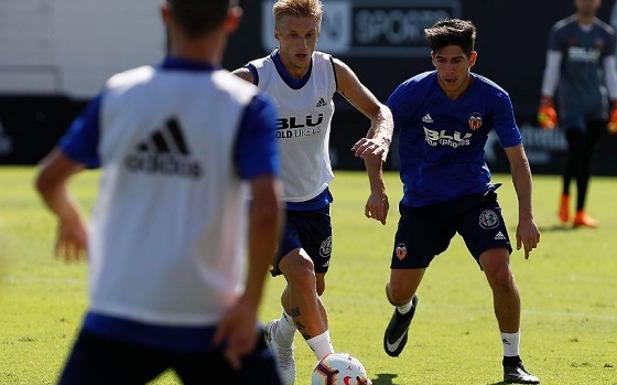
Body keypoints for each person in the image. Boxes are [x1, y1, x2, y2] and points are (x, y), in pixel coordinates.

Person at [34, 1, 283, 384]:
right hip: (210, 318)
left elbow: (48, 180)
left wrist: (70, 219)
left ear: (165, 14)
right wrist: (249, 304)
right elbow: (267, 209)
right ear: (233, 19)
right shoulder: (247, 106)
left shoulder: (120, 93)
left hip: (119, 312)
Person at [232, 1, 393, 384]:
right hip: (264, 201)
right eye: (292, 36)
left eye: (309, 35)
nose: (302, 45)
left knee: (310, 289)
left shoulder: (331, 71)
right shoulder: (253, 78)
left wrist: (381, 143)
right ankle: (333, 366)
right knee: (302, 273)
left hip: (314, 197)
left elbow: (379, 112)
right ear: (276, 35)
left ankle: (278, 336)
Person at [382, 19, 541, 384]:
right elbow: (382, 129)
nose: (449, 69)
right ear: (432, 58)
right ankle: (405, 310)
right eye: (441, 60)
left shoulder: (493, 97)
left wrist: (527, 217)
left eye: (457, 60)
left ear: (472, 58)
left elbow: (518, 160)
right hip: (423, 204)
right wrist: (377, 186)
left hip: (474, 198)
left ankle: (512, 362)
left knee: (501, 274)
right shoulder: (411, 92)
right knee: (396, 292)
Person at [538, 0, 617, 228]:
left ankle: (580, 212)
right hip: (571, 103)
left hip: (596, 104)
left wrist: (614, 103)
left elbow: (610, 72)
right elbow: (552, 68)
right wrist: (546, 99)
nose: (587, 3)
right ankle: (565, 198)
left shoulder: (606, 34)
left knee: (588, 157)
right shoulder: (562, 31)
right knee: (577, 149)